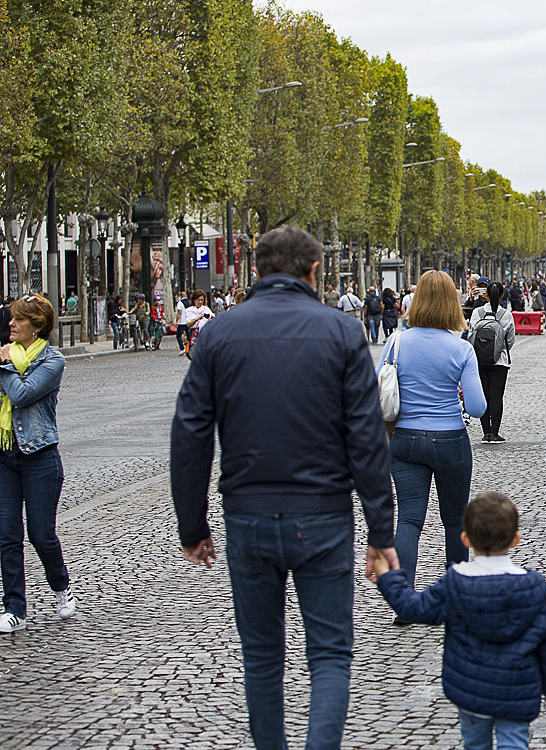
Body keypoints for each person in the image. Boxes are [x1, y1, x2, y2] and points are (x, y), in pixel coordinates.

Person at [171, 225, 397, 749]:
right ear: (314, 272)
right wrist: (381, 531)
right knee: (330, 653)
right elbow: (364, 439)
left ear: (256, 270)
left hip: (247, 514)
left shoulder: (218, 334)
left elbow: (190, 435)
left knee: (262, 658)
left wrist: (193, 525)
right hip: (322, 514)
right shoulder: (342, 334)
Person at [374, 492, 546, 750]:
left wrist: (388, 577)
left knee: (475, 744)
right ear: (515, 540)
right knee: (515, 743)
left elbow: (413, 608)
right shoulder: (537, 589)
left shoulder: (456, 584)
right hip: (517, 690)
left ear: (465, 539)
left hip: (469, 690)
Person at [377, 270, 487, 606]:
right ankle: (455, 591)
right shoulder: (460, 348)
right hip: (450, 438)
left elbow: (379, 387)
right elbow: (480, 407)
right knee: (454, 519)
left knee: (409, 518)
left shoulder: (395, 342)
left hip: (405, 438)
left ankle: (403, 596)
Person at [0, 294, 73, 634]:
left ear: (38, 326)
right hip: (5, 455)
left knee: (41, 534)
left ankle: (61, 586)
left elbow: (21, 393)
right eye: (11, 319)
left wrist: (4, 365)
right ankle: (14, 607)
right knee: (7, 535)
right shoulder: (6, 354)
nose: (11, 324)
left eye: (19, 320)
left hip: (40, 456)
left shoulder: (52, 360)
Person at [468, 282, 517, 444]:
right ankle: (494, 431)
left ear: (486, 295)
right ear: (502, 295)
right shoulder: (506, 315)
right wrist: (499, 350)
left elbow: (471, 334)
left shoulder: (477, 312)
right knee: (496, 396)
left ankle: (485, 432)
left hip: (479, 360)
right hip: (500, 361)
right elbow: (510, 339)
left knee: (484, 394)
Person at [178, 291, 213, 357]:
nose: (200, 302)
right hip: (194, 334)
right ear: (194, 300)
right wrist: (197, 319)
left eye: (201, 300)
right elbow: (188, 324)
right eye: (198, 300)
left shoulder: (206, 309)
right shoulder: (189, 310)